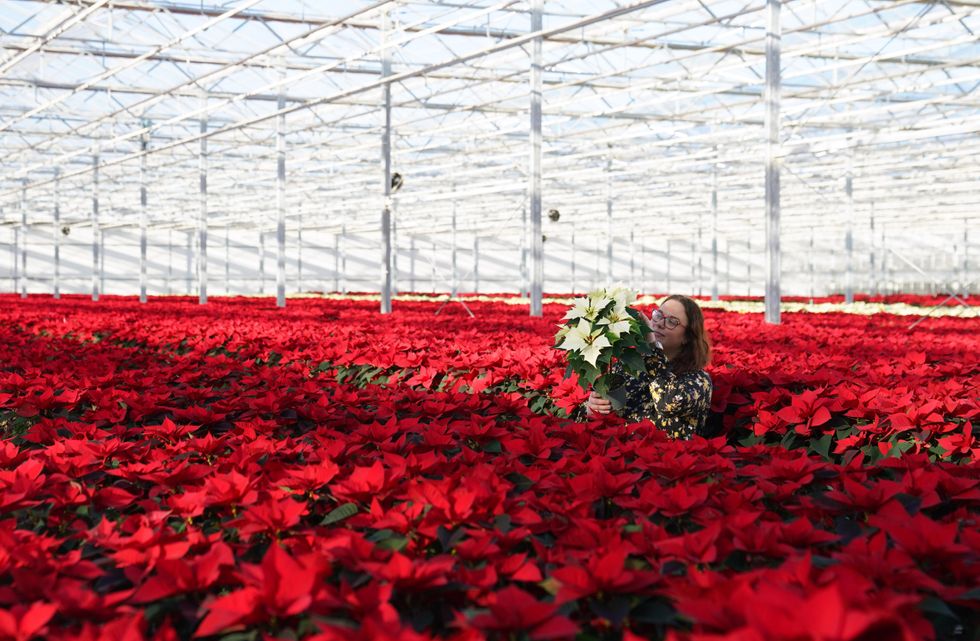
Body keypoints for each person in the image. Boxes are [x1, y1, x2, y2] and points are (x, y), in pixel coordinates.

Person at [584, 294, 712, 439]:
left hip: (665, 458)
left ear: (687, 337)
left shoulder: (699, 380)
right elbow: (609, 414)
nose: (658, 323)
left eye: (671, 321)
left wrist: (652, 346)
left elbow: (667, 403)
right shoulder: (630, 367)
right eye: (658, 315)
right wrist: (591, 409)